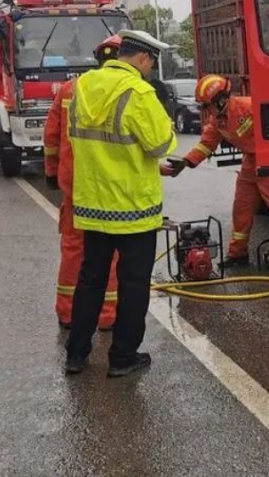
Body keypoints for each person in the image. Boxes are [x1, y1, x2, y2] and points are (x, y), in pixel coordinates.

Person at [64, 29, 175, 377]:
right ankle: (123, 357)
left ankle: (76, 355)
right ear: (142, 58)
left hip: (93, 205)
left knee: (91, 280)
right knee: (133, 283)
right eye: (152, 64)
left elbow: (82, 138)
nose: (151, 71)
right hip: (133, 209)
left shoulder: (82, 86)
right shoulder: (139, 91)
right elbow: (160, 145)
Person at [167, 74, 269, 277]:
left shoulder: (249, 107)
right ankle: (238, 254)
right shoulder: (218, 120)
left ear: (221, 100)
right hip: (251, 162)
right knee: (241, 208)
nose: (206, 111)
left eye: (207, 106)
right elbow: (207, 143)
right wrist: (187, 161)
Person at [44, 34, 122, 331]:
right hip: (111, 188)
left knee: (74, 249)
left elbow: (52, 138)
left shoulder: (68, 90)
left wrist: (51, 172)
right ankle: (106, 315)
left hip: (75, 185)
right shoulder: (128, 90)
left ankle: (67, 312)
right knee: (111, 253)